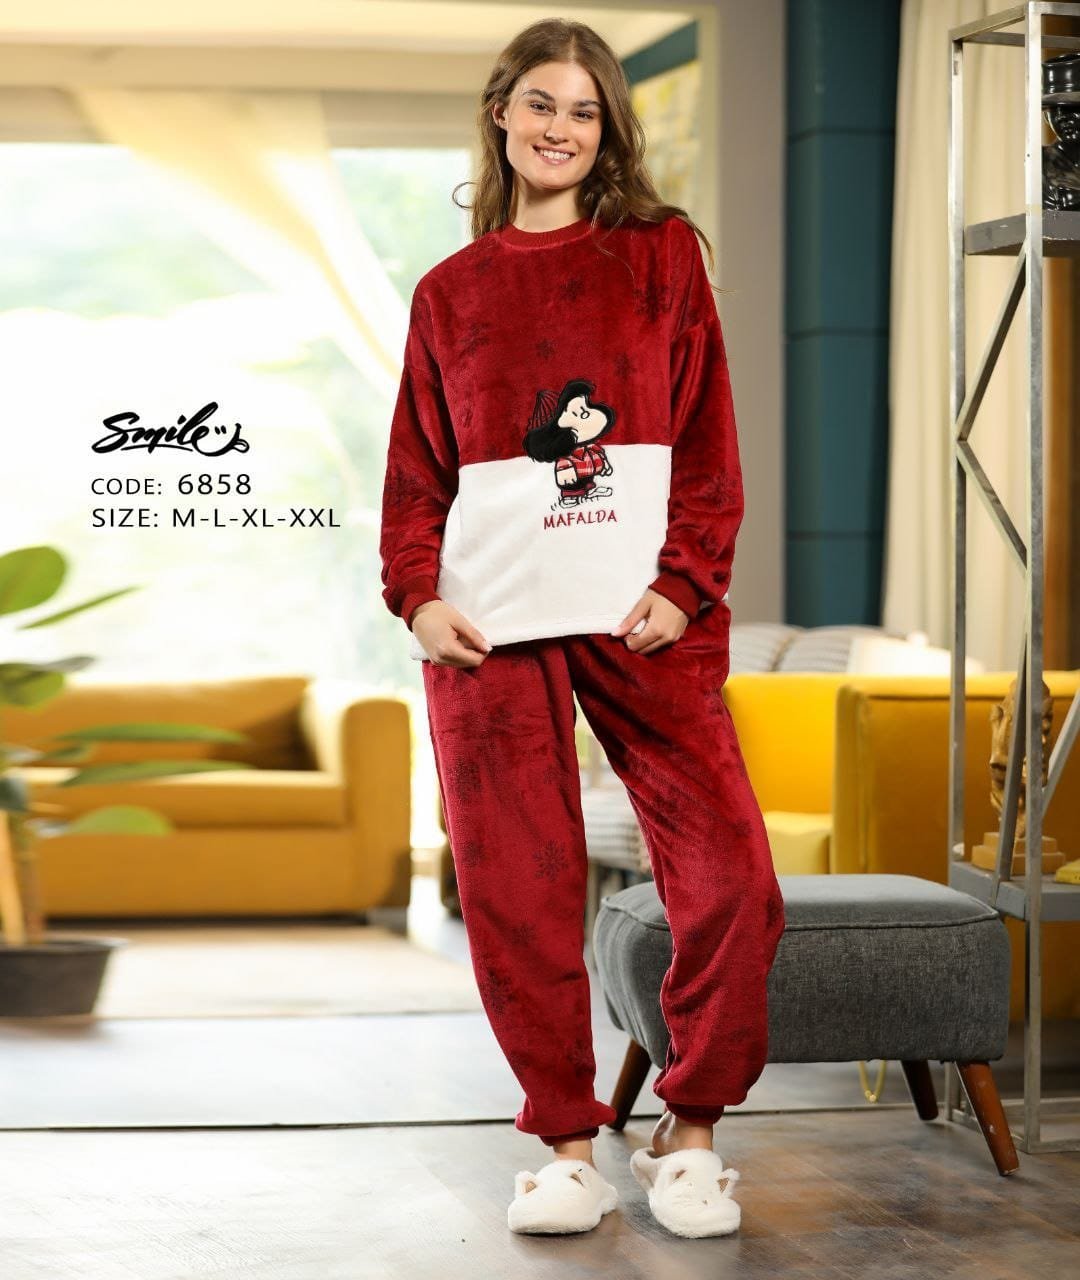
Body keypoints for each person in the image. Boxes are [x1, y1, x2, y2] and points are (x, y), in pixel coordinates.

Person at [378, 17, 786, 1240]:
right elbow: (416, 475)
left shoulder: (659, 257)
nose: (560, 128)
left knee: (731, 875)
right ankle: (564, 1141)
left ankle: (692, 1128)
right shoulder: (449, 292)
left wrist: (688, 581)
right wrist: (419, 596)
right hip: (488, 624)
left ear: (607, 131)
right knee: (517, 885)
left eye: (585, 110)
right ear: (501, 112)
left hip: (642, 616)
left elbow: (707, 437)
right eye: (541, 103)